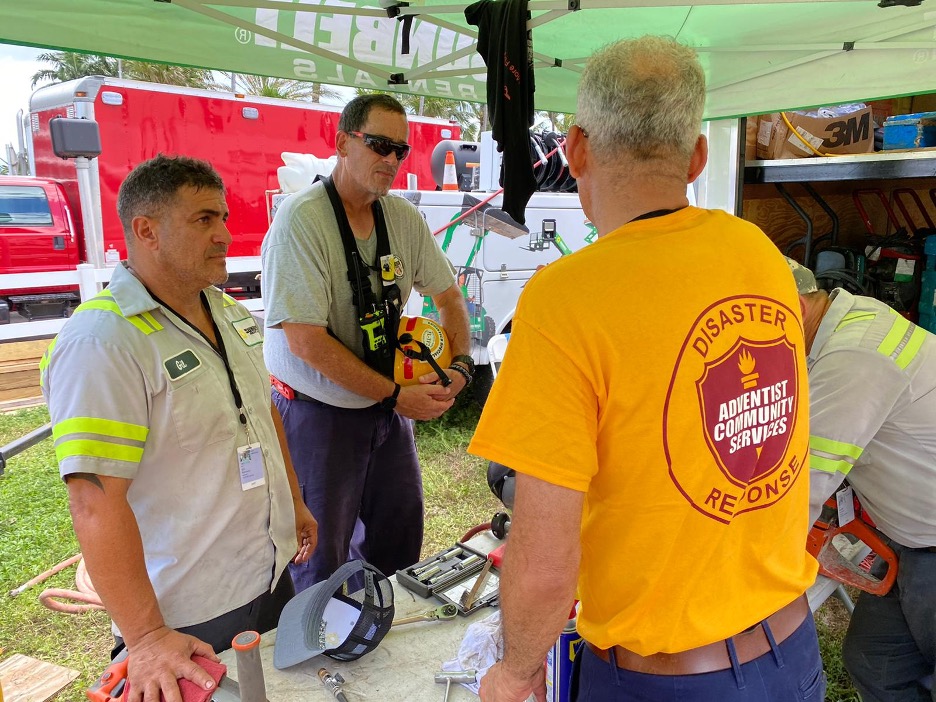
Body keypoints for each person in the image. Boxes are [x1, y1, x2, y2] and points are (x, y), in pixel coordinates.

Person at [468, 37, 823, 702]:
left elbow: (545, 557)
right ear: (695, 157)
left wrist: (514, 673)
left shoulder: (568, 298)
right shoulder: (760, 256)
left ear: (575, 149)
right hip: (791, 653)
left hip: (668, 683)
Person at [41, 154, 317, 702]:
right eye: (204, 220)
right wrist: (144, 638)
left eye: (223, 218)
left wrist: (295, 503)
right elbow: (94, 502)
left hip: (267, 575)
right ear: (147, 231)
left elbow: (261, 416)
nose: (225, 235)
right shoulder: (103, 341)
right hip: (186, 612)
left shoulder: (227, 312)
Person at [262, 93, 472, 590]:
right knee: (320, 555)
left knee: (399, 536)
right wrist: (398, 395)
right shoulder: (303, 220)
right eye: (379, 145)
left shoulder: (400, 217)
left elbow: (448, 298)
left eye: (400, 150)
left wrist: (460, 369)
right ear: (342, 143)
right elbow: (305, 341)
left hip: (384, 410)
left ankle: (383, 637)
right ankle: (322, 654)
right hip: (319, 413)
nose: (392, 160)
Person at [788, 257, 936, 702]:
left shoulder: (855, 355)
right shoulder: (844, 322)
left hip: (931, 544)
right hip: (909, 540)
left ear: (793, 307)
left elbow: (801, 487)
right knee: (877, 662)